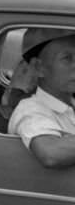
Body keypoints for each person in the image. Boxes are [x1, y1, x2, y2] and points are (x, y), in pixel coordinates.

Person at [8, 28, 75, 166]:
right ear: (39, 68)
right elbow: (51, 153)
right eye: (67, 58)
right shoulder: (29, 110)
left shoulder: (70, 104)